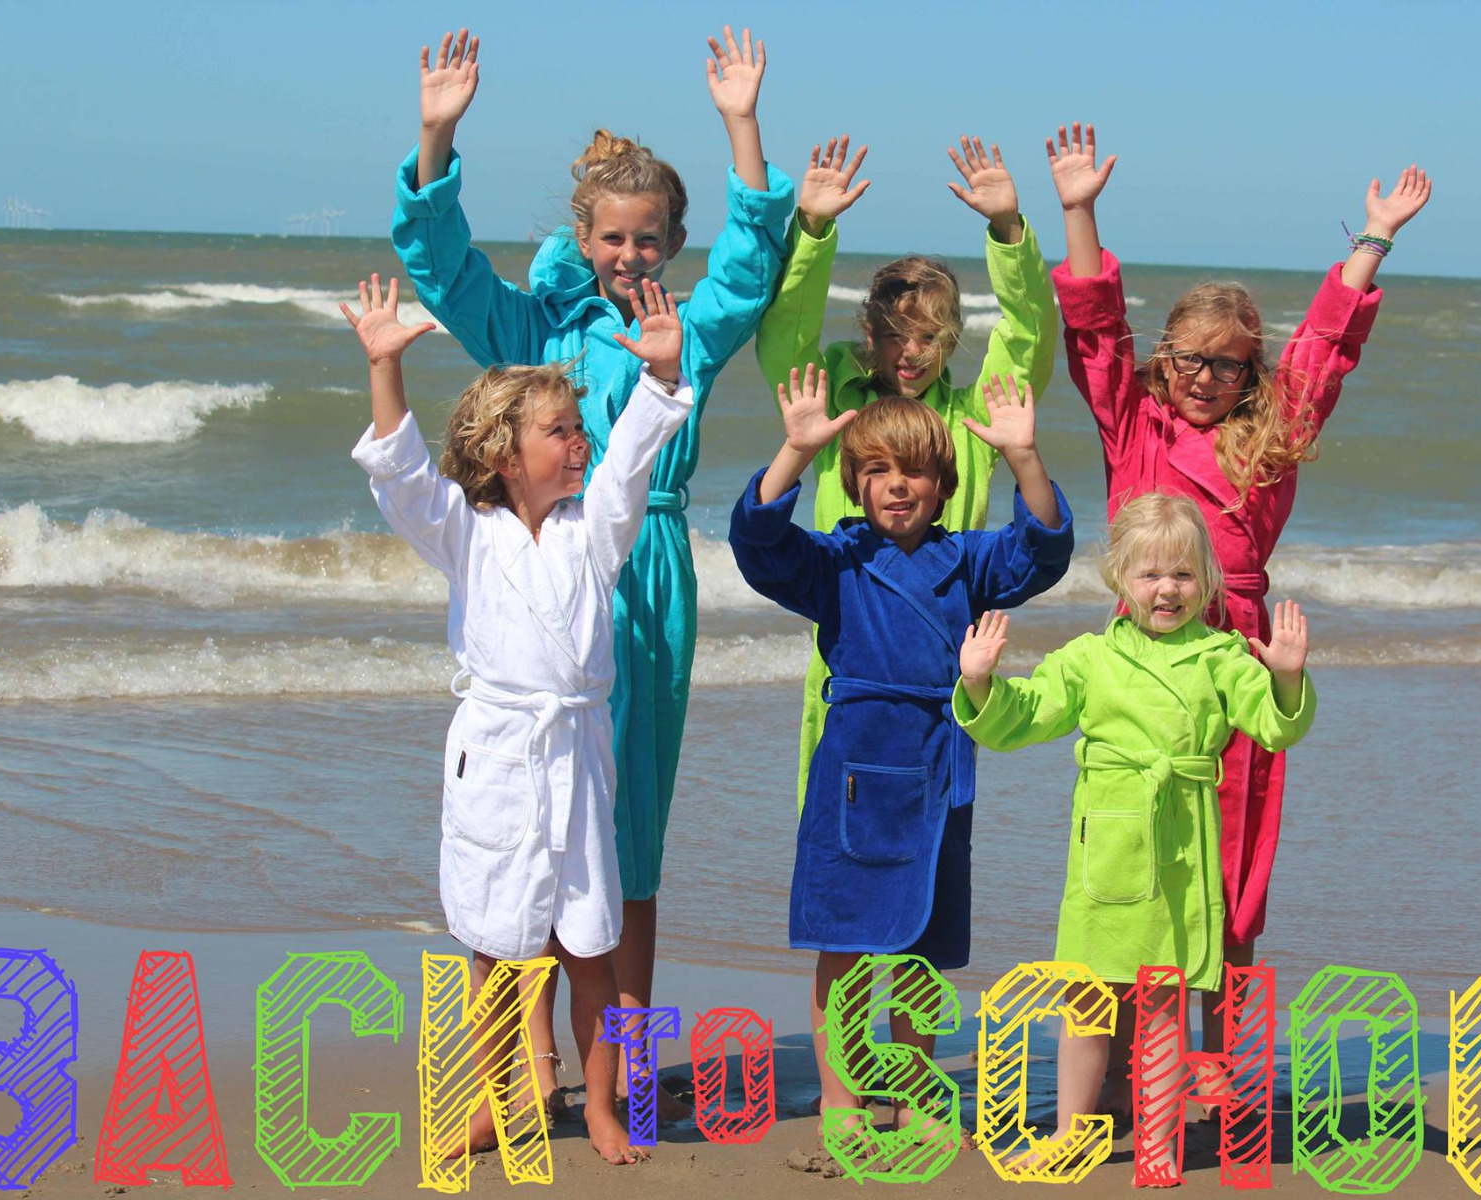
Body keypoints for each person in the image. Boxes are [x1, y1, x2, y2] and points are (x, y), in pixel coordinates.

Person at [391, 26, 796, 1110]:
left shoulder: (687, 331)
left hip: (646, 575)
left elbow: (753, 262)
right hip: (541, 575)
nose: (631, 256)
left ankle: (629, 1061)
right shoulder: (535, 331)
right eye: (613, 238)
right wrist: (437, 135)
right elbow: (442, 267)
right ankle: (527, 1070)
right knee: (527, 833)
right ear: (583, 238)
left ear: (672, 242)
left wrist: (741, 122)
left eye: (650, 239)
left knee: (628, 842)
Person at [1046, 121, 1431, 1101]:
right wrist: (1079, 212)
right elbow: (1094, 333)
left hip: (1236, 665)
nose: (1206, 380)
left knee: (1232, 873)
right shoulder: (1133, 427)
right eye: (1190, 360)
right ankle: (1123, 1059)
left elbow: (1326, 347)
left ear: (1251, 374)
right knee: (1132, 864)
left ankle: (1222, 1061)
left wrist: (1375, 237)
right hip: (1138, 670)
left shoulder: (1274, 430)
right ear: (1164, 357)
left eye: (1229, 366)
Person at [343, 273, 691, 1165]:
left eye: (578, 427)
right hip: (496, 760)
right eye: (559, 431)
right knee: (498, 950)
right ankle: (496, 1102)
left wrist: (660, 375)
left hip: (575, 756)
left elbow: (630, 464)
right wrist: (385, 367)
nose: (580, 442)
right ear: (503, 453)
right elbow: (403, 476)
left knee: (589, 949)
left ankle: (601, 1105)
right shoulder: (465, 532)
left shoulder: (593, 532)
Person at [730, 366, 1072, 1156]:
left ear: (943, 485)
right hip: (853, 774)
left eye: (914, 470)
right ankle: (842, 1098)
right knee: (845, 943)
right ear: (854, 483)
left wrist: (1023, 458)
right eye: (877, 469)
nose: (895, 485)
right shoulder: (836, 563)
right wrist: (793, 452)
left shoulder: (968, 562)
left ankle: (917, 1093)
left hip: (937, 774)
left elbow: (1044, 552)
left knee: (922, 950)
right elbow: (758, 545)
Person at [954, 492, 1315, 1177]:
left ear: (1207, 579)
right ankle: (1072, 1132)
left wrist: (1288, 678)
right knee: (1085, 998)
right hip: (1107, 847)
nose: (1166, 589)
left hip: (1181, 848)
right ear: (1118, 575)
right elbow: (1024, 716)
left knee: (1162, 1001)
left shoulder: (1222, 656)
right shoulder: (1089, 657)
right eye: (1149, 574)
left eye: (1183, 574)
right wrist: (980, 683)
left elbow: (1274, 726)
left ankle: (1158, 1142)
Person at [754, 134, 1058, 809]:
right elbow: (785, 336)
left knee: (936, 829)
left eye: (929, 336)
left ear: (952, 337)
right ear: (870, 333)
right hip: (846, 649)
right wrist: (813, 231)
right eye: (895, 334)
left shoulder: (975, 420)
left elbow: (1030, 337)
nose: (911, 352)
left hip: (942, 657)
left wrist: (1008, 232)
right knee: (831, 819)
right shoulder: (836, 407)